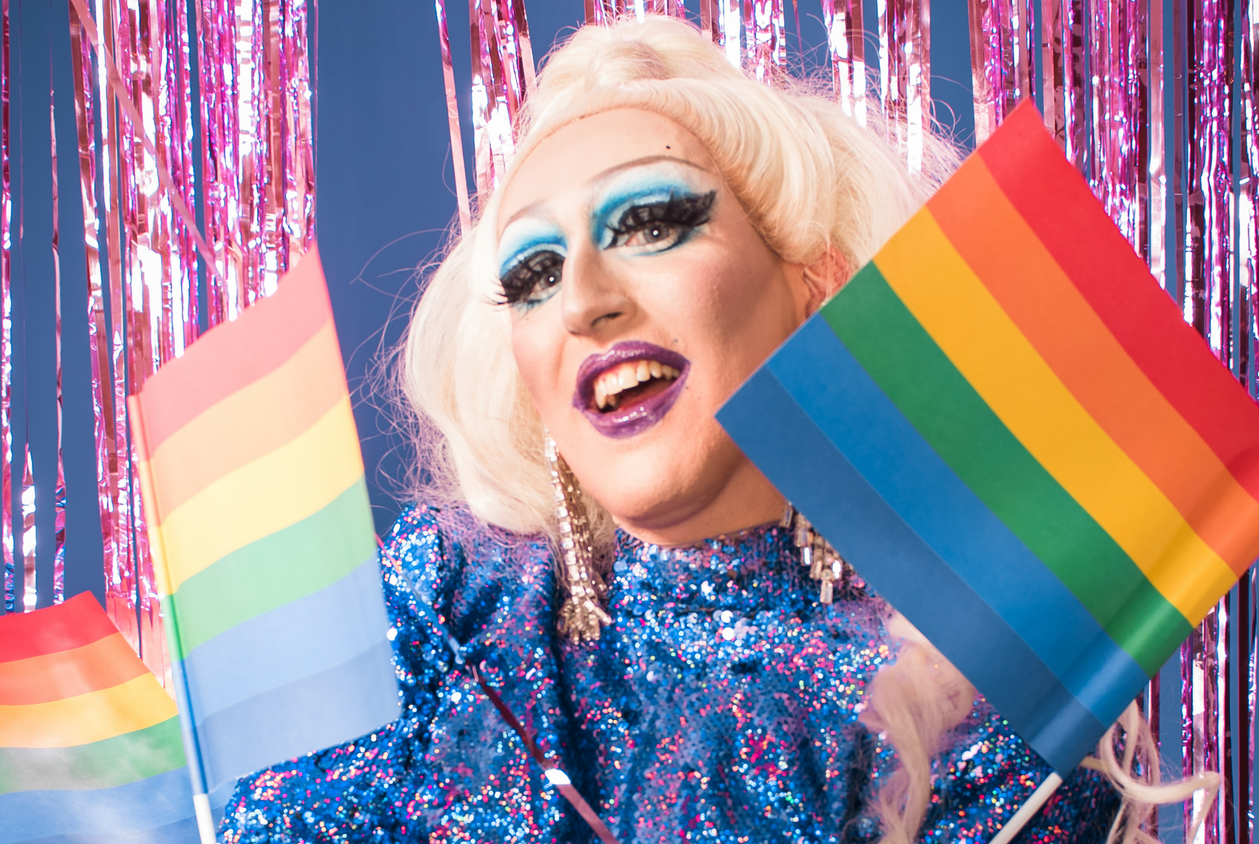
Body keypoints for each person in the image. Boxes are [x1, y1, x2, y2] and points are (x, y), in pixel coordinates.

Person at [218, 16, 1164, 844]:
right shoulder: (448, 616)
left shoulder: (963, 686)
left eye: (651, 223)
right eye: (534, 276)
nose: (583, 301)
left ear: (817, 290)